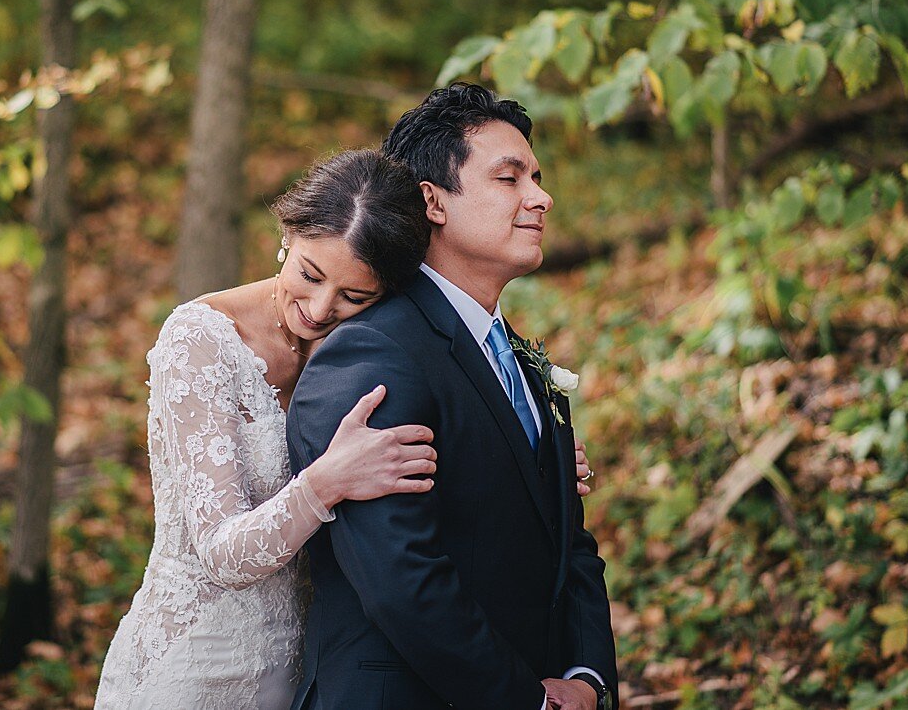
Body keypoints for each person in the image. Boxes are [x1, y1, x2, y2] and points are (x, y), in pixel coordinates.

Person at [94, 146, 602, 709]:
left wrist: (529, 462)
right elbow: (221, 554)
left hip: (304, 666)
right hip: (195, 663)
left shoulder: (362, 351)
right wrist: (326, 481)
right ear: (288, 233)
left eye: (352, 296)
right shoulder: (199, 341)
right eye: (309, 275)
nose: (317, 308)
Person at [286, 84, 618, 710]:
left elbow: (569, 544)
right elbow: (401, 579)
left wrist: (587, 677)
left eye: (538, 177)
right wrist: (525, 699)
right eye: (509, 178)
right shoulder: (373, 354)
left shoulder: (512, 354)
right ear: (432, 202)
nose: (540, 198)